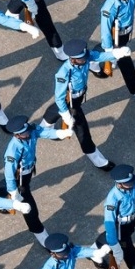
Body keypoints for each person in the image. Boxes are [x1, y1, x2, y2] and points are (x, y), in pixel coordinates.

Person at [0, 115, 75, 243]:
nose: (28, 133)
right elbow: (9, 174)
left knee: (5, 188)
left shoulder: (30, 130)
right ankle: (41, 236)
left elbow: (43, 131)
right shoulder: (13, 150)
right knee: (30, 209)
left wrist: (60, 133)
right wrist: (13, 192)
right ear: (17, 135)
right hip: (19, 178)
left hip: (28, 171)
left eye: (27, 130)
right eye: (24, 133)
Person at [52, 39, 122, 172]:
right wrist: (66, 115)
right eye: (81, 59)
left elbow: (99, 56)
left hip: (80, 96)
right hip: (71, 103)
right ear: (72, 59)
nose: (85, 60)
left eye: (84, 57)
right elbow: (59, 98)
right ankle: (97, 160)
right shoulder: (63, 73)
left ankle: (47, 126)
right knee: (83, 132)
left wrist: (117, 54)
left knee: (53, 111)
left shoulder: (84, 57)